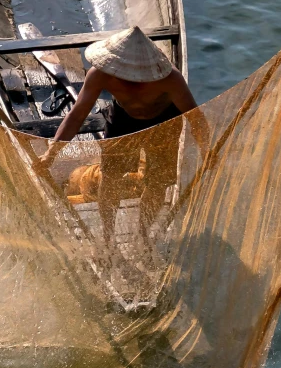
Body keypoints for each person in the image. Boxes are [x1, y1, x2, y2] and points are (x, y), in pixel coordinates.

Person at [40, 25, 212, 243]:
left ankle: (143, 233)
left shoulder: (170, 79)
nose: (130, 81)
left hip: (164, 121)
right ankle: (108, 237)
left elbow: (195, 118)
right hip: (123, 118)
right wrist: (51, 153)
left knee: (158, 182)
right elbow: (77, 115)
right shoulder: (100, 74)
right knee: (110, 177)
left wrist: (207, 152)